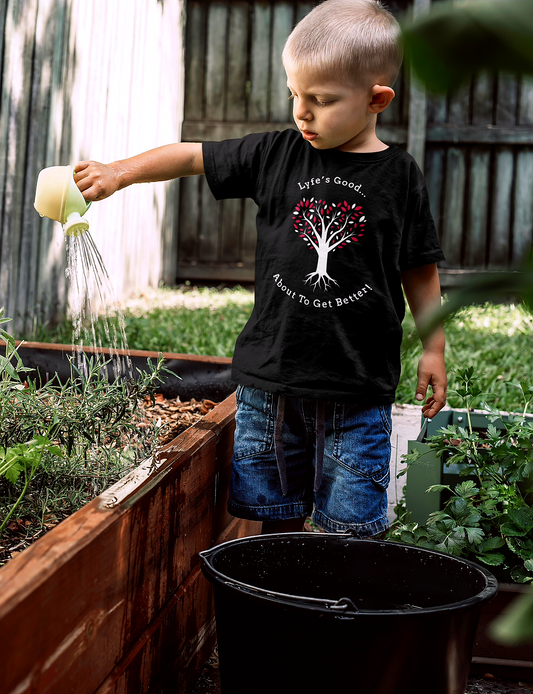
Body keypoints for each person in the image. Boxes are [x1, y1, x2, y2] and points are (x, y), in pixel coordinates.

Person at [74, 0, 447, 538]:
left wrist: (432, 347)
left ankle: (332, 609)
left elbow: (418, 266)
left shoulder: (399, 174)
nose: (302, 112)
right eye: (295, 94)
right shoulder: (276, 154)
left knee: (349, 531)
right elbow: (189, 156)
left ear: (377, 99)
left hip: (357, 386)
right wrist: (119, 172)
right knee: (273, 519)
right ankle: (276, 599)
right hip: (270, 381)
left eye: (321, 100)